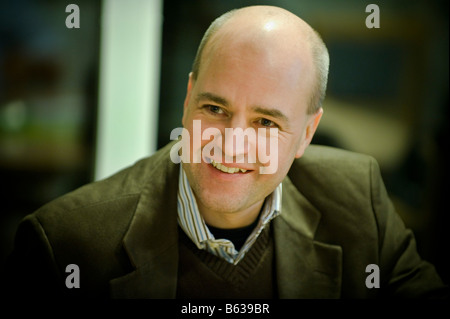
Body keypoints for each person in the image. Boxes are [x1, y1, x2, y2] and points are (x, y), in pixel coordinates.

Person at [2, 5, 448, 299]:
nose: (232, 143)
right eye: (215, 109)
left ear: (308, 133)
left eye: (266, 122)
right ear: (188, 99)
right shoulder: (65, 244)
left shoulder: (357, 198)